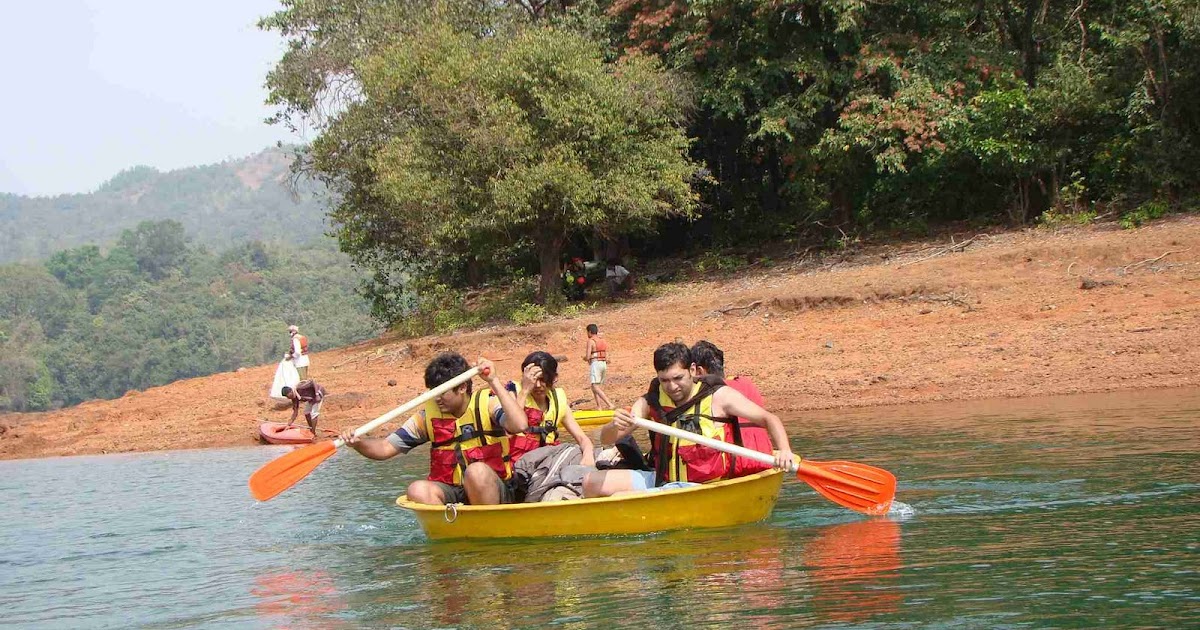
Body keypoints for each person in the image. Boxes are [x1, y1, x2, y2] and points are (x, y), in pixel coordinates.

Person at [582, 342, 795, 497]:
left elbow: (769, 419)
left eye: (678, 378)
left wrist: (785, 450)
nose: (672, 386)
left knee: (623, 497)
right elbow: (607, 439)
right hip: (664, 482)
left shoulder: (719, 397)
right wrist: (615, 425)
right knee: (590, 482)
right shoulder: (651, 400)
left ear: (692, 370)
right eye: (664, 380)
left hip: (703, 487)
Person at [337, 353, 528, 506]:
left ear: (462, 388)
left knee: (476, 472)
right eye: (433, 392)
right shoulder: (427, 417)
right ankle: (454, 530)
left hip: (494, 490)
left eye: (441, 392)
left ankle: (486, 528)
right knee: (417, 490)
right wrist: (358, 444)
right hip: (454, 492)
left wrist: (493, 381)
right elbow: (385, 448)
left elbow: (520, 425)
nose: (436, 398)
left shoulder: (488, 404)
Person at [689, 340, 774, 477]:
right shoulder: (745, 383)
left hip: (738, 469)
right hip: (765, 462)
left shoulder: (716, 395)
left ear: (699, 371)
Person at [506, 351, 595, 467]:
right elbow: (509, 431)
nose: (538, 385)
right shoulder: (513, 394)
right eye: (533, 379)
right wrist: (524, 390)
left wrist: (588, 455)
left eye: (543, 379)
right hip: (519, 465)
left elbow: (582, 438)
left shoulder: (558, 401)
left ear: (554, 378)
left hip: (546, 463)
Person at [582, 324, 612, 409]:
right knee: (594, 386)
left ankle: (610, 404)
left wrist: (584, 358)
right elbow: (606, 356)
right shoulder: (602, 341)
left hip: (596, 364)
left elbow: (588, 356)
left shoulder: (591, 341)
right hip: (603, 364)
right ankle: (599, 406)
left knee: (595, 386)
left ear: (589, 332)